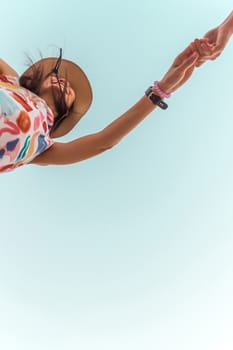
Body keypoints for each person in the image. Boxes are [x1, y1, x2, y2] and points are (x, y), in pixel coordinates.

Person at [0, 11, 232, 173]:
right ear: (35, 81)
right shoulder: (14, 83)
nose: (65, 83)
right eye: (58, 74)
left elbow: (104, 141)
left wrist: (160, 90)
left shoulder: (43, 146)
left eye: (71, 95)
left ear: (63, 117)